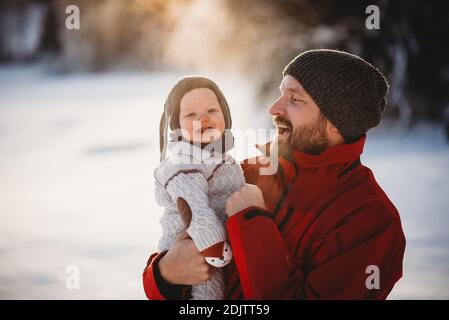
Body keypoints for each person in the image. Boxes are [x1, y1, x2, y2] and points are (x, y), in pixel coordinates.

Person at [144, 49, 406, 300]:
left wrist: (252, 224)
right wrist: (165, 274)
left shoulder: (371, 220)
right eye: (281, 94)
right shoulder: (245, 172)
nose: (274, 109)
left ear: (334, 123)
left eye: (295, 99)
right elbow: (181, 242)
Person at [154, 76, 245, 299]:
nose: (203, 118)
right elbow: (191, 204)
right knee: (206, 292)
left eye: (212, 110)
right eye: (191, 115)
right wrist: (211, 243)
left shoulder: (218, 157)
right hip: (194, 244)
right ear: (177, 125)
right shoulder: (184, 160)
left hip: (213, 246)